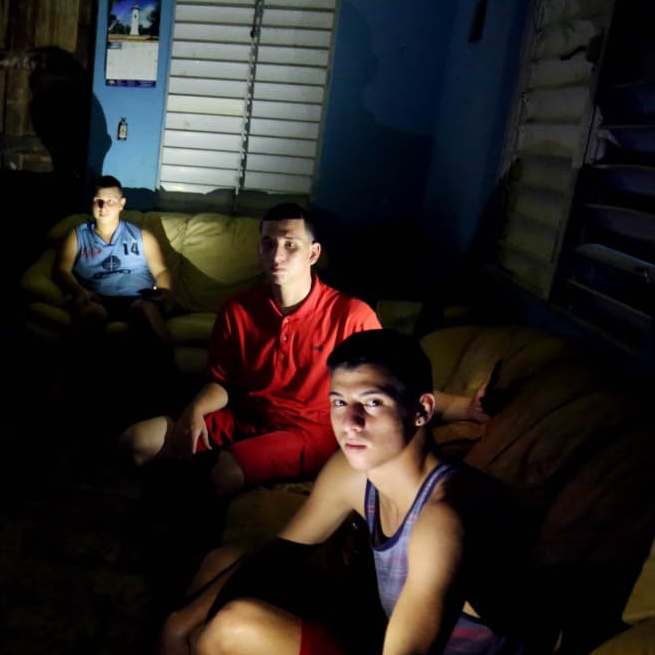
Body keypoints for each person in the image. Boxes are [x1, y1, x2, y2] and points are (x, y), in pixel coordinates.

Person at [149, 329, 531, 655]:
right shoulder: (352, 473)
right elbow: (278, 557)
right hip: (381, 631)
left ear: (421, 410)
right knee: (223, 563)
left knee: (231, 631)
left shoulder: (444, 517)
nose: (349, 423)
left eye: (372, 402)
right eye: (339, 402)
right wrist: (176, 626)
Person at [119, 204, 486, 498]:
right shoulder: (238, 310)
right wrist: (195, 410)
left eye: (290, 244)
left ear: (313, 253)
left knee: (226, 470)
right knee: (138, 441)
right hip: (249, 416)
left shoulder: (351, 314)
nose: (277, 254)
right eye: (268, 244)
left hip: (310, 429)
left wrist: (464, 407)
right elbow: (224, 382)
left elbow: (395, 388)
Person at [53, 175, 174, 347]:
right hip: (96, 298)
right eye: (98, 200)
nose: (103, 206)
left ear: (122, 203)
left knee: (146, 311)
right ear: (92, 202)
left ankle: (168, 368)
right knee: (89, 315)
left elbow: (161, 271)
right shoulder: (77, 235)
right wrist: (78, 291)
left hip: (137, 298)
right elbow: (61, 269)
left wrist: (163, 290)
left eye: (110, 200)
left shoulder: (142, 236)